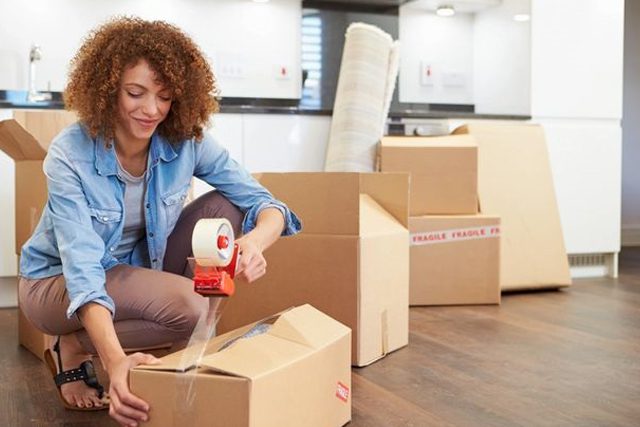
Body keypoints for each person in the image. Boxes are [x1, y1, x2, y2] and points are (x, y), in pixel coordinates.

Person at [18, 16, 301, 427]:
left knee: (227, 206)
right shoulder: (70, 154)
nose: (151, 110)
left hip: (133, 268)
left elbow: (266, 203)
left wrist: (256, 240)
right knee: (191, 308)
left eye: (165, 97)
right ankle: (79, 346)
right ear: (107, 89)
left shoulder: (185, 142)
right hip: (54, 284)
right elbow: (82, 269)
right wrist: (116, 363)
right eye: (135, 93)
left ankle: (88, 343)